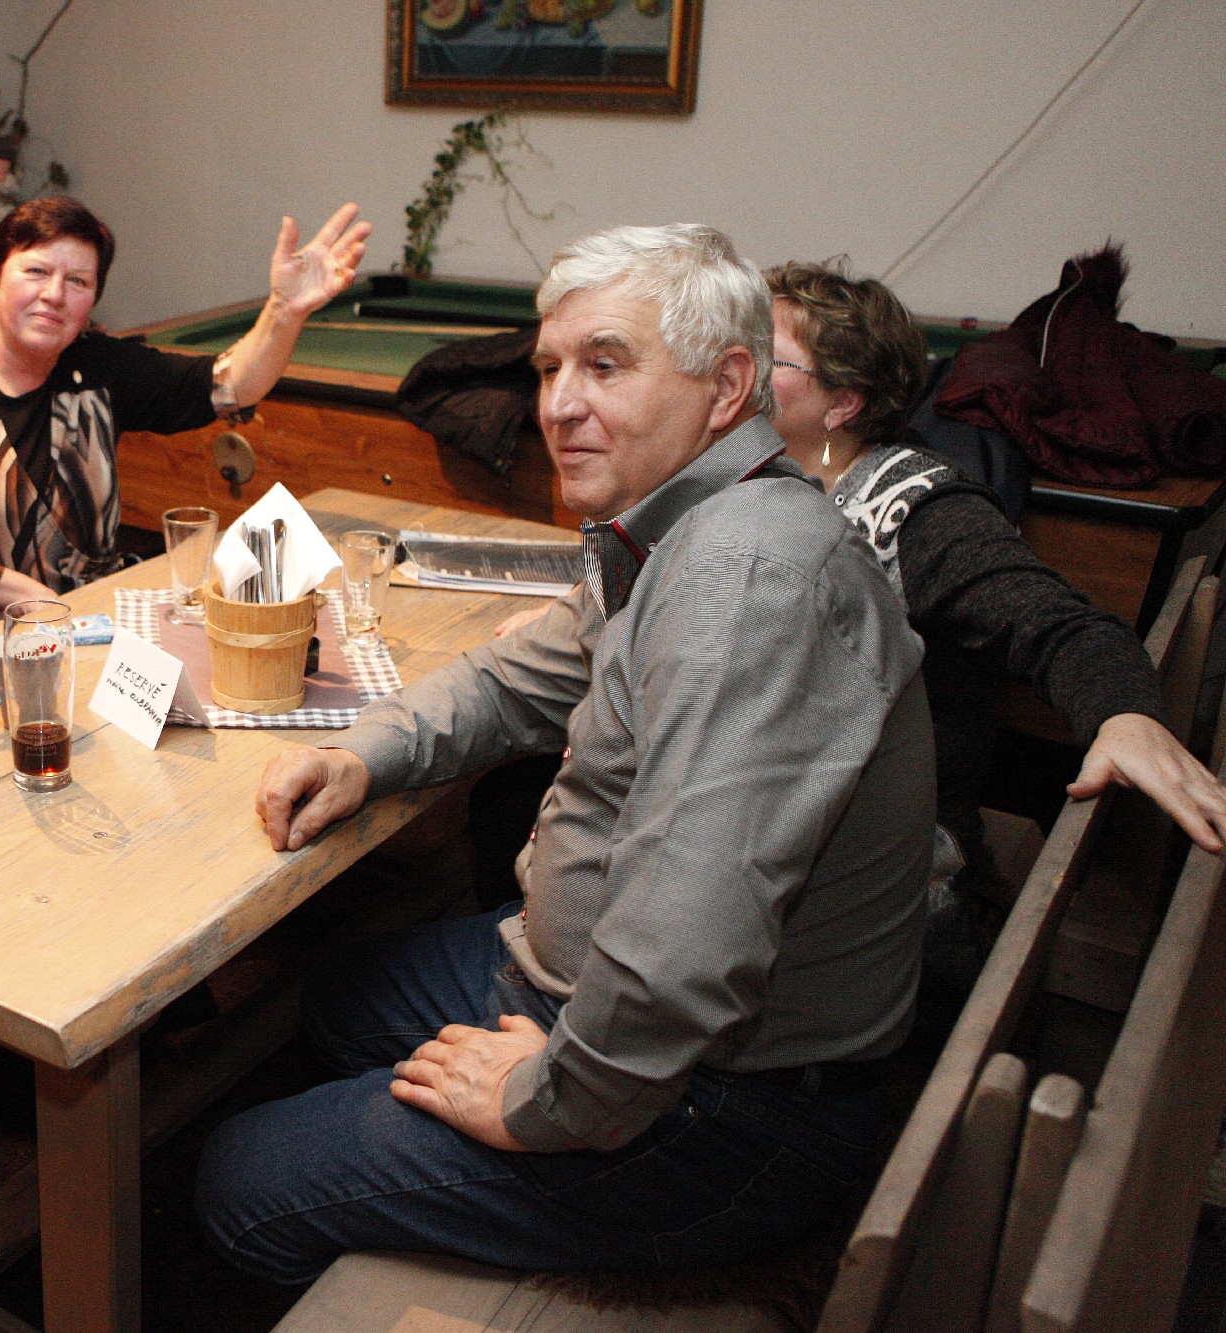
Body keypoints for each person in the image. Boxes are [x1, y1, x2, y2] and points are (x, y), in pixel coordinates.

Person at [194, 224, 936, 1285]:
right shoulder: (684, 523)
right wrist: (365, 753)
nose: (557, 405)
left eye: (605, 364)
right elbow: (513, 678)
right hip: (594, 993)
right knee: (336, 993)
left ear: (728, 386)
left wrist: (540, 1101)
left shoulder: (745, 577)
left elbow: (683, 949)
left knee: (236, 1181)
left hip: (724, 1105)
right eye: (549, 368)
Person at [763, 260, 1226, 891]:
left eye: (766, 356)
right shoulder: (754, 475)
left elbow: (1062, 626)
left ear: (843, 403)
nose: (734, 367)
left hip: (890, 853)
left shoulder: (919, 509)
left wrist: (1125, 716)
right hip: (779, 809)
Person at [0, 195, 371, 631]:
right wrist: (42, 605)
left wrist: (286, 310)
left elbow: (230, 386)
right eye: (36, 271)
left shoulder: (98, 365)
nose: (55, 294)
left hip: (95, 618)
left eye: (77, 281)